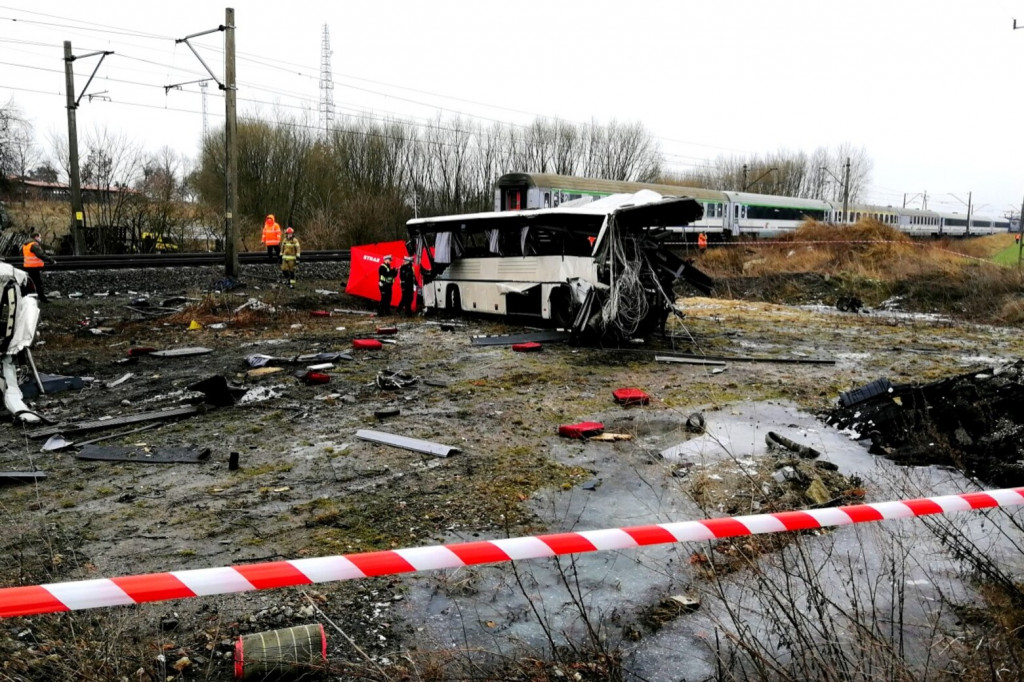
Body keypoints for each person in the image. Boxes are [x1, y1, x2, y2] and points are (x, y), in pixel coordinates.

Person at [21, 231, 55, 302]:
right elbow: (40, 255)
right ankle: (43, 299)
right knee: (38, 283)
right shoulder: (34, 245)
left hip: (27, 266)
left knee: (28, 283)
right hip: (34, 267)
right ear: (36, 237)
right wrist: (51, 260)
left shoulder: (25, 245)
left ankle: (22, 297)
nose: (40, 238)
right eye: (39, 237)